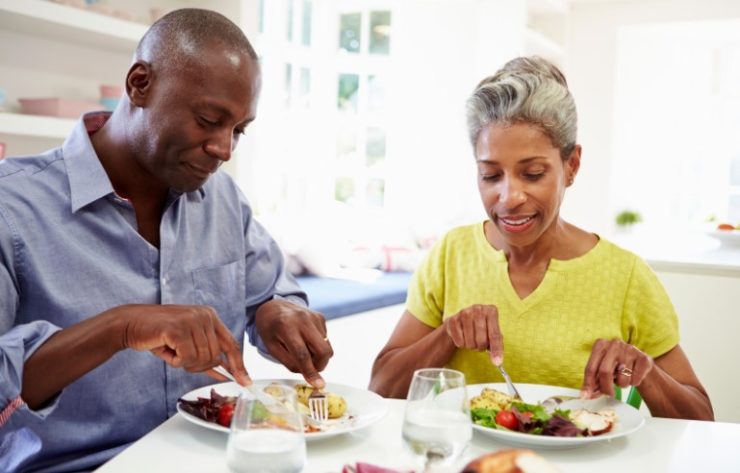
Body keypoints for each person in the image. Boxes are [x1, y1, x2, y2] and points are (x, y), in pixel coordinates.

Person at [0, 9, 332, 472]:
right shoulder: (11, 207)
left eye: (238, 130)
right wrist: (123, 327)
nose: (224, 149)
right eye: (208, 119)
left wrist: (277, 310)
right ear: (140, 84)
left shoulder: (222, 201)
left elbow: (270, 292)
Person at [369, 56, 713, 421]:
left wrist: (647, 373)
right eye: (490, 175)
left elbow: (702, 419)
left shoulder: (625, 276)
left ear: (572, 166)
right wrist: (446, 336)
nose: (509, 197)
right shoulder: (452, 255)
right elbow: (382, 388)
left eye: (532, 174)